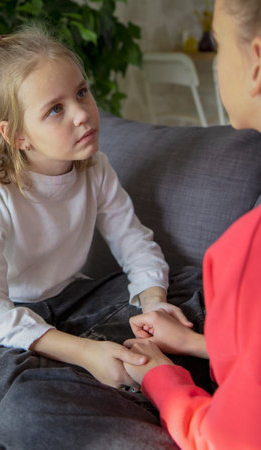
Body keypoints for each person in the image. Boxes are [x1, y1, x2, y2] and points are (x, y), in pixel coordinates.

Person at [0, 7, 192, 446]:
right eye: (55, 110)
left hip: (71, 300)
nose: (82, 114)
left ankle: (110, 368)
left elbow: (135, 245)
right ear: (17, 136)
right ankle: (103, 365)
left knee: (192, 289)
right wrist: (83, 350)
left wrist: (153, 303)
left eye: (82, 93)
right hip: (4, 315)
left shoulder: (95, 169)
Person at [123, 0, 261, 448]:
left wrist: (163, 377)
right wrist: (196, 343)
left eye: (218, 46)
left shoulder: (244, 252)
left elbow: (224, 439)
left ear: (256, 62)